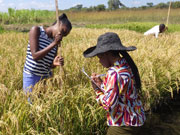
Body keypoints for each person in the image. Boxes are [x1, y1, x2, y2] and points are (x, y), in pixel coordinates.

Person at [83, 32, 146, 135]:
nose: (99, 61)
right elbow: (119, 92)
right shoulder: (126, 65)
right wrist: (101, 84)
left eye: (99, 57)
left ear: (106, 54)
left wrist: (97, 90)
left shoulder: (115, 73)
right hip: (137, 119)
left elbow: (108, 104)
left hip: (123, 124)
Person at [23, 13, 72, 101]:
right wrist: (54, 44)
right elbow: (35, 55)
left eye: (65, 35)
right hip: (32, 76)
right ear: (57, 24)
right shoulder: (37, 30)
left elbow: (49, 65)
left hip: (46, 77)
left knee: (43, 104)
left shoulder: (55, 43)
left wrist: (54, 63)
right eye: (63, 31)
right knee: (31, 105)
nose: (62, 36)